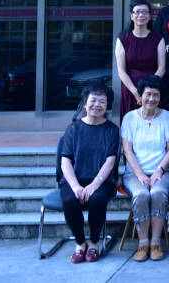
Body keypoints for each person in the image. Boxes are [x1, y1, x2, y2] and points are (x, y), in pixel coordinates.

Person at [58, 81, 120, 264]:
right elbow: (65, 161)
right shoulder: (73, 128)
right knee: (70, 200)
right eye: (93, 100)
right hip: (74, 179)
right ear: (85, 103)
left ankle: (94, 242)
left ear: (107, 105)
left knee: (97, 200)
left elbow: (110, 161)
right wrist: (76, 186)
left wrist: (94, 185)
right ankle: (80, 243)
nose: (97, 105)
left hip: (101, 181)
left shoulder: (112, 130)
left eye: (102, 101)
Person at [121, 75, 169, 262]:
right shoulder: (129, 118)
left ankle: (155, 243)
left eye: (156, 95)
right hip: (134, 173)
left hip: (163, 172)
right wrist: (140, 174)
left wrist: (158, 171)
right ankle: (143, 243)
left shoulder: (167, 117)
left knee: (157, 192)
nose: (152, 99)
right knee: (141, 194)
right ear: (140, 96)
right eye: (148, 94)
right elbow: (127, 151)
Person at [115, 0, 166, 120]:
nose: (141, 15)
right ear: (131, 16)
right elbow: (121, 71)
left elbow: (162, 68)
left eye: (145, 12)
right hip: (130, 89)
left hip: (153, 90)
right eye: (137, 12)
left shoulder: (158, 38)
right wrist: (136, 92)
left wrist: (148, 90)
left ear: (149, 16)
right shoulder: (122, 39)